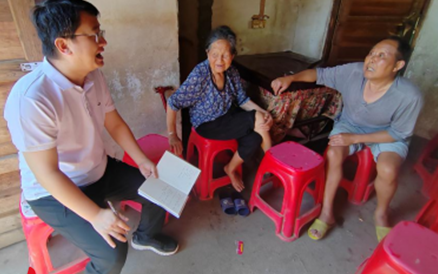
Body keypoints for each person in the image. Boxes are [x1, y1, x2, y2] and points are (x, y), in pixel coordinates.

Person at [4, 0, 178, 274]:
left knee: (157, 188)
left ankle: (146, 235)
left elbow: (113, 122)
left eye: (101, 32)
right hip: (53, 192)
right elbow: (47, 173)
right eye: (94, 34)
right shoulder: (32, 99)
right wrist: (96, 215)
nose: (103, 41)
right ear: (63, 45)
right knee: (111, 252)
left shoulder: (93, 75)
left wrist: (142, 160)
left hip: (97, 169)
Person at [271, 37, 423, 242]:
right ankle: (327, 212)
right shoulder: (354, 72)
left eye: (381, 56)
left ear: (398, 65)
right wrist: (290, 78)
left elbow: (398, 133)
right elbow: (318, 74)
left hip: (386, 133)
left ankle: (381, 214)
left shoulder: (409, 96)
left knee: (388, 169)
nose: (371, 59)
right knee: (333, 153)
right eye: (371, 53)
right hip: (350, 124)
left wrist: (355, 138)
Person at [166, 26, 273, 201]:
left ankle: (230, 168)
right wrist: (172, 135)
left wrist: (264, 113)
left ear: (233, 55)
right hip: (207, 124)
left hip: (227, 116)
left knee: (256, 135)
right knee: (258, 120)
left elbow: (242, 100)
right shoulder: (200, 75)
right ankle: (271, 166)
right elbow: (173, 103)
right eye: (215, 54)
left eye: (225, 55)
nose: (219, 60)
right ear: (207, 53)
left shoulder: (232, 72)